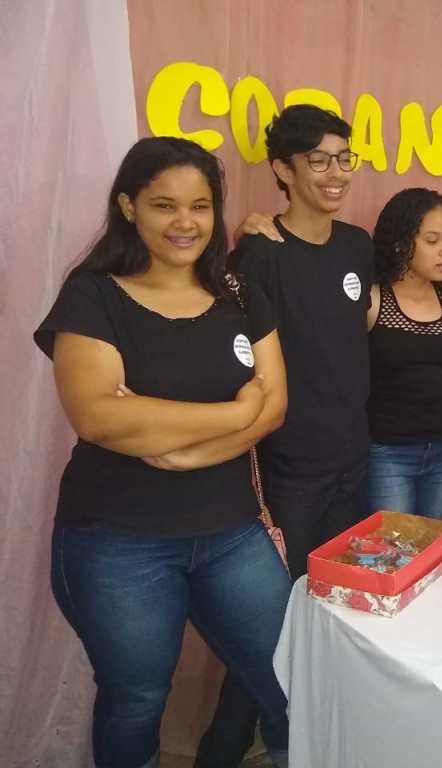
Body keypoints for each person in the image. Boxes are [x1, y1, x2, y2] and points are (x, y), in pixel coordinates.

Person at [34, 136, 290, 768]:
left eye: (200, 206)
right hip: (118, 541)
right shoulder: (94, 295)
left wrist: (183, 449)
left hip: (231, 531)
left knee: (289, 677)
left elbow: (276, 406)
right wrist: (234, 413)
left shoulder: (239, 294)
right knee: (136, 699)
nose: (185, 222)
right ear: (129, 207)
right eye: (164, 205)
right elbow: (101, 417)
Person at [196, 104, 373, 766]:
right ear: (283, 169)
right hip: (289, 469)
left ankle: (312, 744)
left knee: (334, 616)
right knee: (270, 629)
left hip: (353, 459)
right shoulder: (259, 253)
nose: (336, 173)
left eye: (344, 158)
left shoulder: (356, 246)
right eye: (318, 160)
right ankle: (223, 750)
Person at [364, 188, 442, 519]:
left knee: (430, 543)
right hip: (387, 455)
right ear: (401, 243)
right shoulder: (372, 301)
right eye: (433, 241)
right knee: (394, 546)